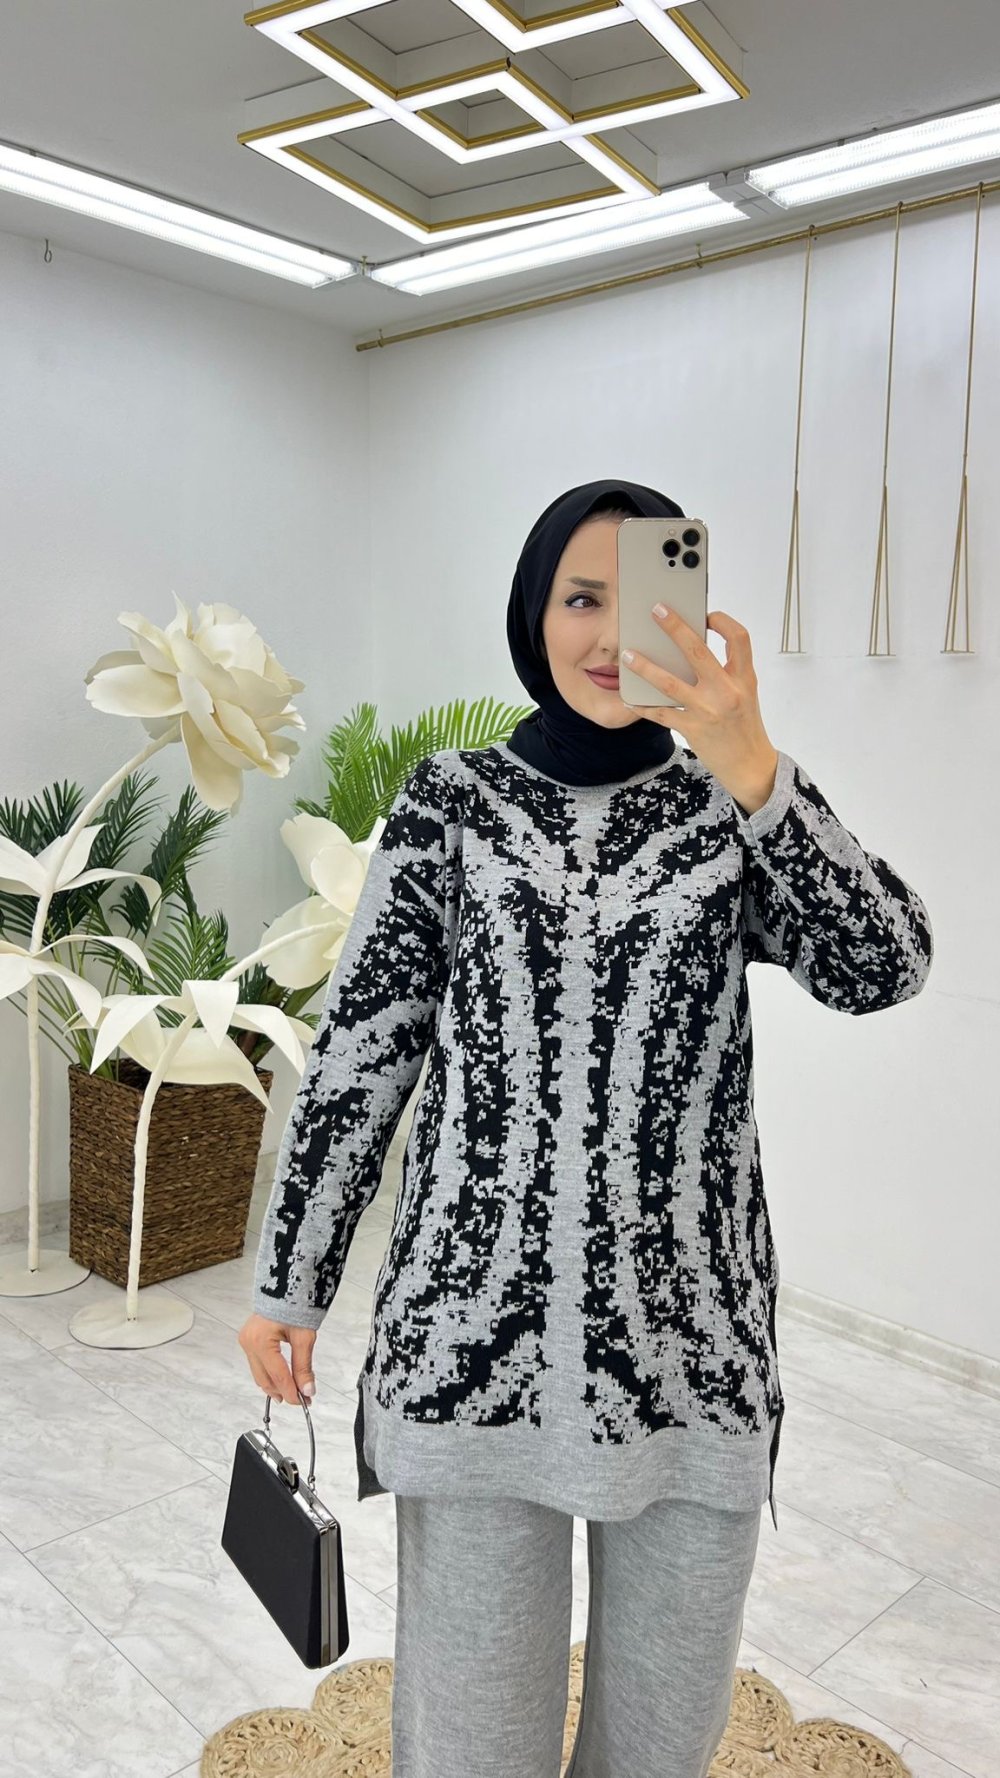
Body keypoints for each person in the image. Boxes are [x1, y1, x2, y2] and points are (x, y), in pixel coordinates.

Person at [239, 478, 933, 1778]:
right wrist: (293, 1279)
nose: (612, 633)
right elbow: (363, 1050)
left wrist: (757, 770)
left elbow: (884, 963)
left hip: (691, 1361)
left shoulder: (731, 810)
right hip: (471, 1349)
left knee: (661, 1742)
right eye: (579, 596)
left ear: (695, 611)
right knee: (473, 1742)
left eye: (644, 596)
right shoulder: (450, 804)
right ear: (531, 612)